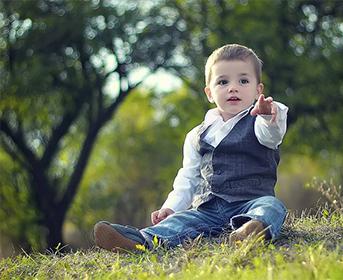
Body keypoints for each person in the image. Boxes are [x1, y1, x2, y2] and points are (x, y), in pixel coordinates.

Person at [94, 43, 288, 251]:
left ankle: (252, 231)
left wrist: (268, 114)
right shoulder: (197, 135)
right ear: (209, 93)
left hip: (251, 202)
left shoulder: (261, 120)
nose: (233, 87)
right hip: (208, 210)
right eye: (222, 82)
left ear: (258, 90)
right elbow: (188, 177)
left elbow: (272, 135)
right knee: (180, 222)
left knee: (272, 207)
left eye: (243, 80)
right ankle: (140, 241)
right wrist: (171, 207)